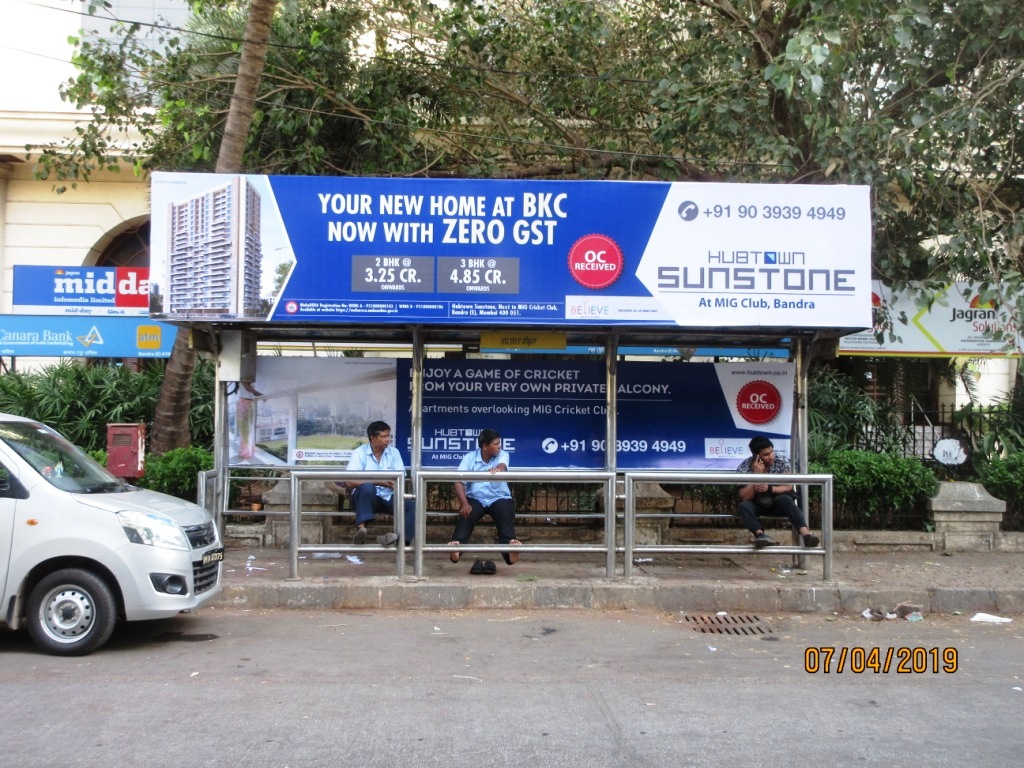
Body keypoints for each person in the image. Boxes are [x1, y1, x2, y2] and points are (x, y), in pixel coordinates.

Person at [448, 428, 521, 566]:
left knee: (505, 513)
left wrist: (498, 469)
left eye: (499, 443)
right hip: (476, 499)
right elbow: (458, 481)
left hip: (499, 497)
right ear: (485, 446)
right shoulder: (469, 457)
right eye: (496, 444)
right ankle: (456, 547)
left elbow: (502, 465)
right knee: (466, 514)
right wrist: (464, 503)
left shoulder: (502, 454)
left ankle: (510, 551)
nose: (499, 446)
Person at [736, 435, 820, 549]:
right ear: (756, 456)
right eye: (766, 455)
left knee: (786, 499)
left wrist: (769, 488)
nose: (771, 456)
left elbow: (789, 486)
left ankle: (806, 535)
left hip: (777, 502)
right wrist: (756, 476)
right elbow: (745, 496)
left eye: (771, 452)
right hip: (757, 504)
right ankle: (760, 536)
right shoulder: (744, 467)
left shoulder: (781, 461)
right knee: (744, 506)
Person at [344, 421, 414, 546]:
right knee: (367, 487)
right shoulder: (359, 453)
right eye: (383, 436)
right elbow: (349, 481)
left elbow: (400, 477)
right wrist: (378, 482)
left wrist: (394, 483)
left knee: (413, 505)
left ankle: (400, 540)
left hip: (388, 496)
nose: (388, 440)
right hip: (364, 498)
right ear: (373, 438)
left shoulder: (394, 453)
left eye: (389, 436)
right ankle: (361, 530)